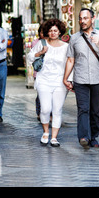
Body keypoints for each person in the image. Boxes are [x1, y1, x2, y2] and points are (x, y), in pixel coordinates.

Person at [63, 8, 99, 149]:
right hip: (80, 79)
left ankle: (94, 136)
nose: (82, 21)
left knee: (94, 110)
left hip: (97, 78)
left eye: (85, 18)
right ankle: (84, 136)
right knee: (83, 109)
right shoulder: (74, 38)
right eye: (80, 18)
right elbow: (70, 60)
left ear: (93, 19)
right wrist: (65, 78)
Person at [28, 18, 68, 147]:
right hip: (43, 80)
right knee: (45, 109)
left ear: (60, 32)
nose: (53, 33)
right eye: (50, 30)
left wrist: (68, 80)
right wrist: (40, 52)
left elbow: (70, 63)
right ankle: (45, 132)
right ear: (47, 32)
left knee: (57, 109)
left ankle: (54, 137)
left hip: (60, 82)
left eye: (55, 30)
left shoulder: (66, 47)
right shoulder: (42, 43)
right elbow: (29, 57)